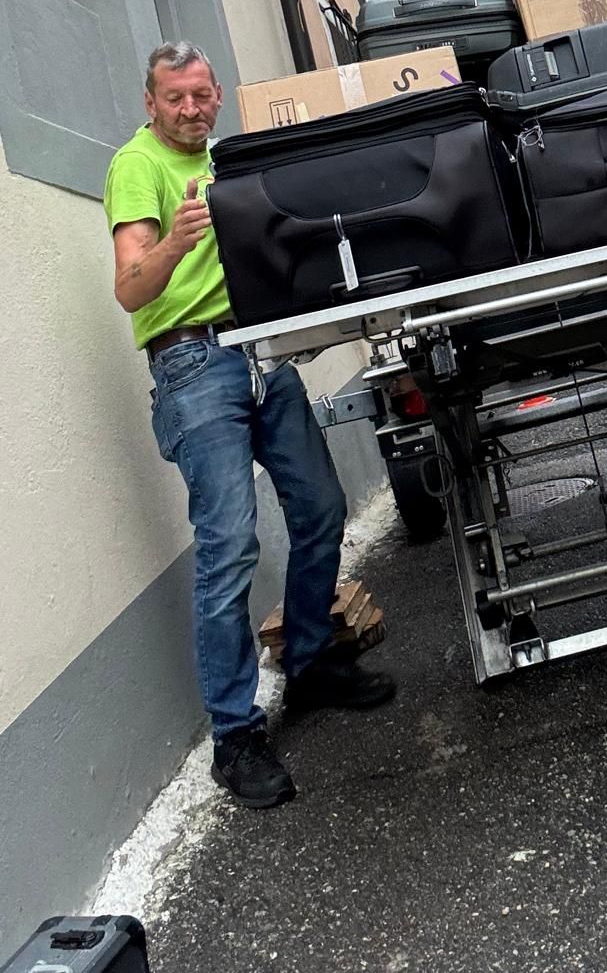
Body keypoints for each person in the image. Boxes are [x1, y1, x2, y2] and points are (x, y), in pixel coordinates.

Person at [104, 42, 396, 809]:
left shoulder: (226, 157)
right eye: (176, 98)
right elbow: (130, 288)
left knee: (320, 506)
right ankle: (235, 735)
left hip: (259, 349)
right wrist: (176, 238)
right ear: (150, 101)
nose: (192, 108)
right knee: (230, 543)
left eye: (203, 95)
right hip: (193, 365)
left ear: (217, 96)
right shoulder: (138, 166)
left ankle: (309, 660)